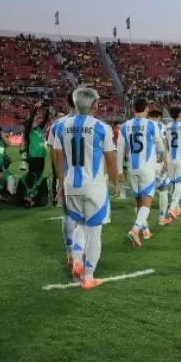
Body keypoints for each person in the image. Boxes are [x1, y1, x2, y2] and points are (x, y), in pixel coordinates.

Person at [50, 87, 119, 289]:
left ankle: (77, 262)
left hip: (71, 184)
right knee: (94, 232)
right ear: (95, 105)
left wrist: (60, 183)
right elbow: (110, 159)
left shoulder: (60, 126)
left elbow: (58, 158)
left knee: (79, 224)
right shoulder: (102, 127)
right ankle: (88, 277)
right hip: (94, 186)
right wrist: (115, 182)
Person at [119, 98, 166, 247]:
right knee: (147, 200)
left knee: (138, 200)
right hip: (146, 167)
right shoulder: (151, 124)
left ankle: (145, 231)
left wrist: (120, 171)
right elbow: (160, 145)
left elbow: (120, 149)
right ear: (146, 109)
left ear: (133, 109)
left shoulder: (125, 126)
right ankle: (135, 230)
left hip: (132, 168)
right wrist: (161, 158)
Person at [49, 93, 75, 268]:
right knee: (86, 218)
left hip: (66, 175)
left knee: (68, 215)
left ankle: (70, 252)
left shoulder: (58, 125)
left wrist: (60, 179)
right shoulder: (93, 123)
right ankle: (81, 250)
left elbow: (54, 153)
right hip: (88, 178)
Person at [22, 100, 50, 188]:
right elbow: (31, 119)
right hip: (33, 156)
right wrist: (35, 108)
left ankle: (36, 190)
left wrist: (46, 108)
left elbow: (45, 119)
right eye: (36, 119)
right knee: (32, 175)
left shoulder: (39, 129)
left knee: (40, 174)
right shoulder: (29, 130)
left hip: (41, 156)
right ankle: (29, 190)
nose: (38, 120)